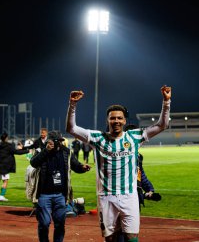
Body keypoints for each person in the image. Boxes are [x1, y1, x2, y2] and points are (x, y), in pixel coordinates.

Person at [66, 85, 171, 242]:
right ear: (108, 120)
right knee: (110, 238)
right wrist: (72, 105)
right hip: (106, 197)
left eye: (119, 118)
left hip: (129, 196)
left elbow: (162, 125)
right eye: (113, 118)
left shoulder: (134, 137)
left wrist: (166, 102)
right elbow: (71, 128)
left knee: (132, 237)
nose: (116, 121)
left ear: (124, 120)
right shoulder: (97, 138)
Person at [30, 130, 91, 242]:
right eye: (57, 141)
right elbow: (33, 163)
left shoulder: (66, 152)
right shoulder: (41, 150)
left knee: (60, 224)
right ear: (50, 141)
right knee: (44, 223)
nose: (59, 143)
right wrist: (46, 151)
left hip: (61, 195)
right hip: (44, 194)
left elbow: (75, 165)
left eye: (61, 141)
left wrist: (82, 167)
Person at [0, 132, 28, 201]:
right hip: (4, 167)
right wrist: (27, 151)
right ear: (6, 138)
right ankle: (1, 196)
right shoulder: (9, 146)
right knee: (5, 181)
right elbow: (17, 152)